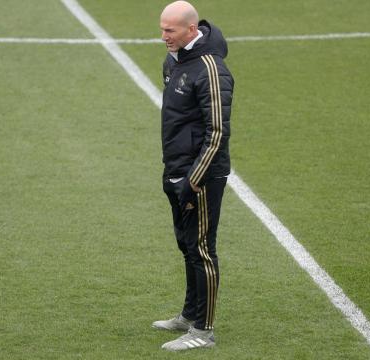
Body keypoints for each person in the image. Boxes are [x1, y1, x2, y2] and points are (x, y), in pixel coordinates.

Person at [151, 0, 234, 352]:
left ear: (191, 29)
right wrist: (173, 171)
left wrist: (193, 179)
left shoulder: (211, 69)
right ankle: (188, 314)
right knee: (186, 246)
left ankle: (204, 330)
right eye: (162, 29)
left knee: (202, 249)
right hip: (176, 170)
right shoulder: (173, 63)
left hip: (201, 176)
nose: (164, 36)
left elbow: (217, 132)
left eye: (170, 30)